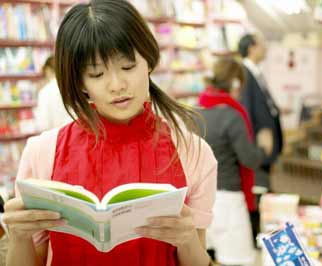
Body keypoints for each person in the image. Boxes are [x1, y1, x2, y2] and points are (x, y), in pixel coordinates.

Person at [3, 1, 217, 266]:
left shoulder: (192, 152)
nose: (117, 85)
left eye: (128, 67)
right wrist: (19, 236)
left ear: (148, 62)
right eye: (97, 73)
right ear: (80, 82)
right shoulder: (42, 152)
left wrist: (186, 239)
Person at [197, 58, 271, 266]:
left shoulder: (195, 113)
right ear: (235, 84)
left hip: (200, 198)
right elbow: (249, 159)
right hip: (228, 199)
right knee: (239, 260)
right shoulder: (232, 116)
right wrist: (264, 148)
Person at [238, 33, 284, 245]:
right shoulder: (245, 73)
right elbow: (247, 111)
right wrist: (256, 147)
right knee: (259, 189)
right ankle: (258, 237)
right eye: (262, 43)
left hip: (265, 146)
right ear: (252, 48)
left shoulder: (255, 72)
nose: (265, 47)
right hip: (259, 147)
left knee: (264, 188)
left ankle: (261, 234)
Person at [36, 55, 73, 131]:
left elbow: (43, 125)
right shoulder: (71, 86)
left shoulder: (45, 92)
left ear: (47, 70)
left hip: (55, 138)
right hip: (73, 134)